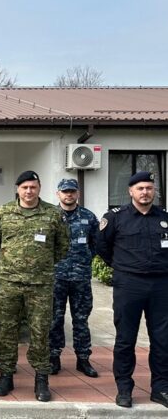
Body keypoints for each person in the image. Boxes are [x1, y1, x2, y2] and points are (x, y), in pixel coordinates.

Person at [0, 170, 68, 402]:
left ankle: (41, 378)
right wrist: (11, 262)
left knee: (40, 331)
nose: (28, 191)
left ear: (39, 188)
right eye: (24, 187)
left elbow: (62, 246)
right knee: (7, 330)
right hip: (9, 282)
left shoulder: (53, 214)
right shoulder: (4, 212)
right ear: (17, 189)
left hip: (40, 285)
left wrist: (40, 265)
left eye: (33, 187)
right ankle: (6, 375)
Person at [96, 170, 168, 408]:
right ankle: (124, 389)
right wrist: (122, 267)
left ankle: (161, 389)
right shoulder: (116, 218)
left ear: (154, 191)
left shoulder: (164, 217)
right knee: (126, 339)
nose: (145, 192)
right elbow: (102, 246)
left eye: (149, 188)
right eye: (140, 188)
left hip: (161, 285)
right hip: (129, 285)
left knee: (163, 340)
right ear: (130, 191)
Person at [49, 178, 99, 378]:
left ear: (78, 193)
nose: (68, 195)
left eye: (72, 191)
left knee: (81, 319)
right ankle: (53, 357)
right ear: (58, 194)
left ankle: (83, 359)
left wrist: (83, 261)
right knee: (54, 319)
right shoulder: (50, 216)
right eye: (65, 191)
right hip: (56, 277)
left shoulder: (89, 217)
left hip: (81, 278)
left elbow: (96, 244)